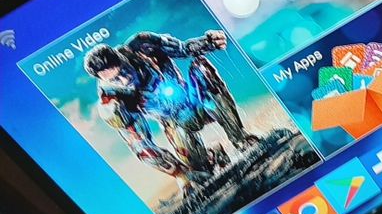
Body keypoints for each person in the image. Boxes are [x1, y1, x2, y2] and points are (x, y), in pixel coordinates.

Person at [84, 29, 257, 196]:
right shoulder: (111, 99)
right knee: (202, 172)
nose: (124, 80)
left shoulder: (142, 45)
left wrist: (209, 42)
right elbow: (139, 144)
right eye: (115, 80)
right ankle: (213, 155)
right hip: (173, 123)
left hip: (193, 99)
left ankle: (240, 138)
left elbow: (183, 49)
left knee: (202, 69)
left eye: (124, 71)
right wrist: (181, 174)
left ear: (121, 58)